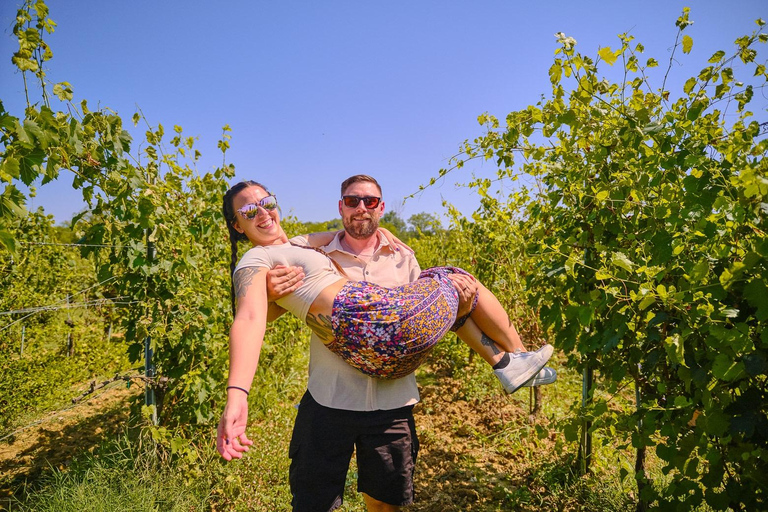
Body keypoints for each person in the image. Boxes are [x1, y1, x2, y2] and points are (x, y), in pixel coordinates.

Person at [217, 177, 555, 511]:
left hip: (389, 372)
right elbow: (248, 319)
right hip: (352, 365)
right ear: (237, 225)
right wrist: (238, 394)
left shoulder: (305, 245)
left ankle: (509, 362)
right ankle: (515, 358)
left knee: (454, 290)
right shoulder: (255, 262)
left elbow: (324, 238)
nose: (262, 213)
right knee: (454, 274)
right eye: (249, 210)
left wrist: (389, 238)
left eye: (267, 203)